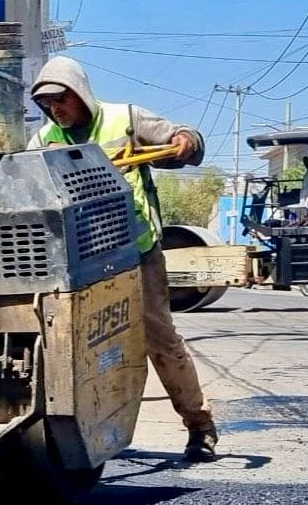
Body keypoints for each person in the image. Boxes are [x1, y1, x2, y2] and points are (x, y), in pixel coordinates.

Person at [26, 56, 219, 462]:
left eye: (61, 100)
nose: (55, 110)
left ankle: (200, 426)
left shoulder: (125, 120)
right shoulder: (43, 142)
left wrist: (184, 143)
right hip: (78, 263)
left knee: (160, 341)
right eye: (47, 105)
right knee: (73, 346)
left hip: (136, 253)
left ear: (81, 94)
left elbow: (184, 138)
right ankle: (88, 433)